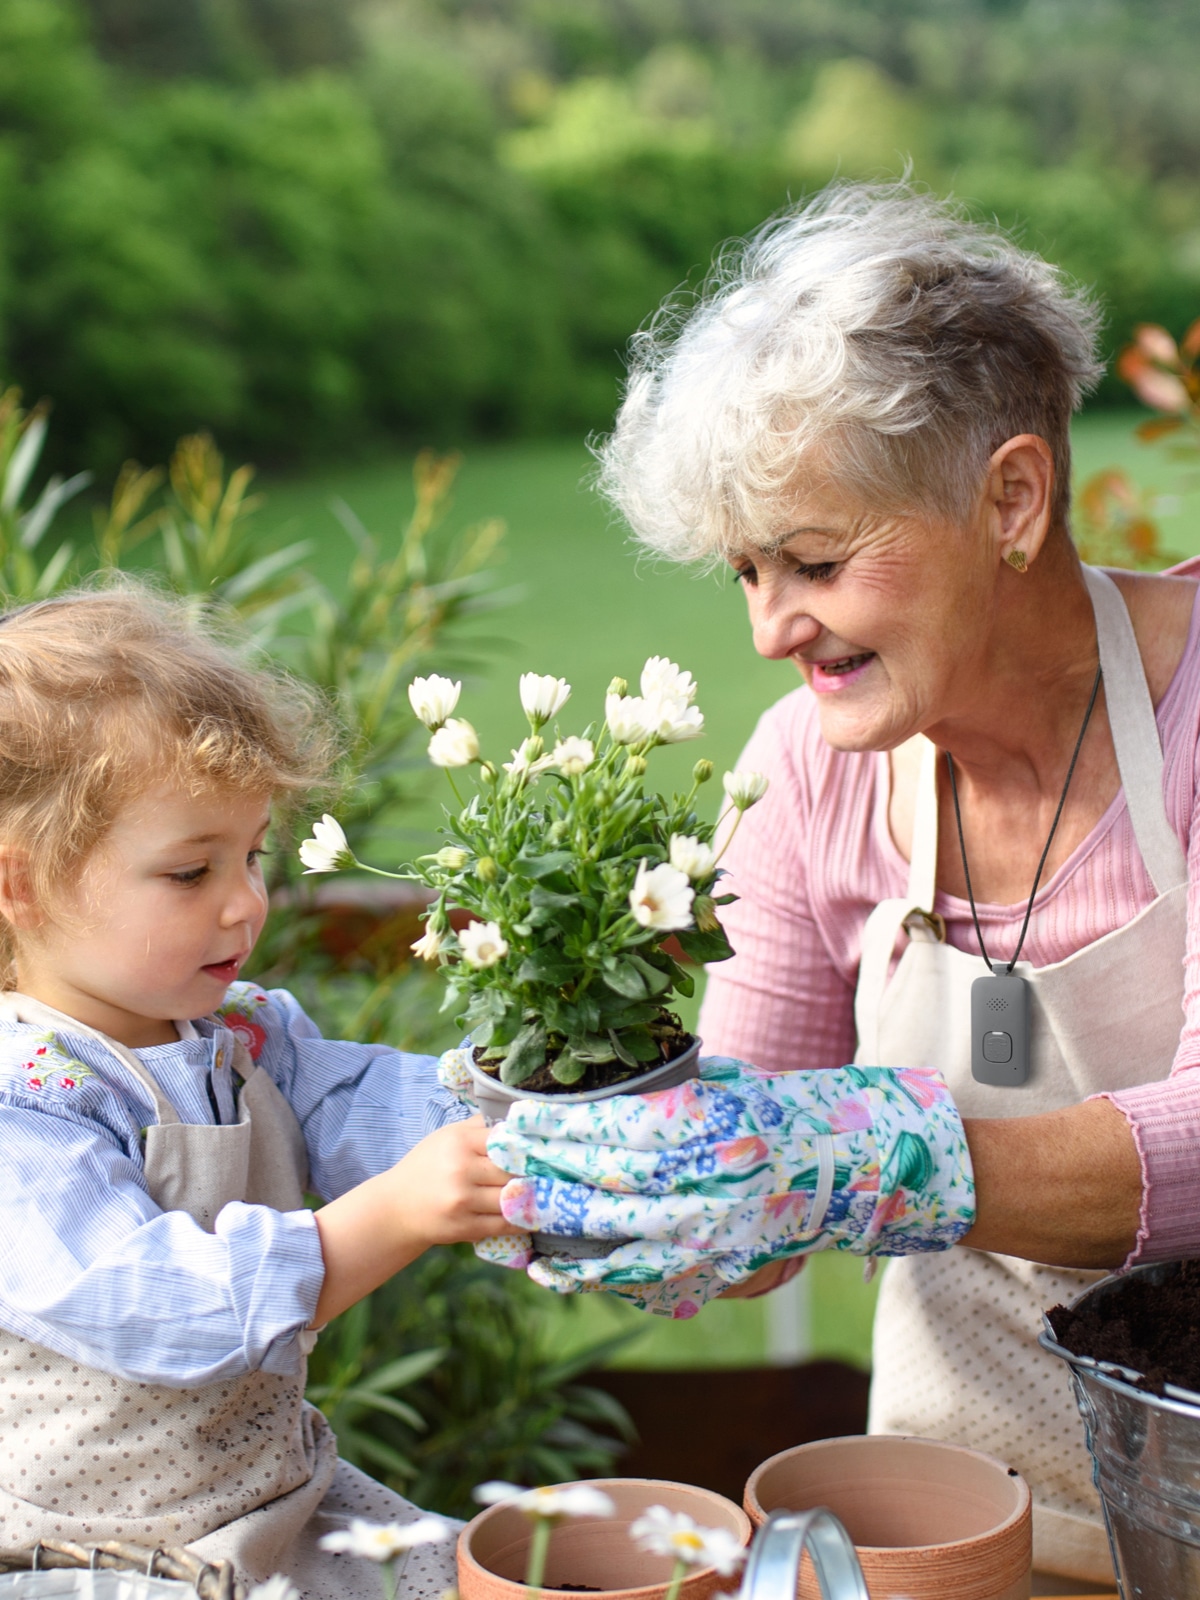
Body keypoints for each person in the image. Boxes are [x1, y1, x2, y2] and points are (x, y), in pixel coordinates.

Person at [485, 182, 1200, 1592]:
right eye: (745, 572)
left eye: (814, 562)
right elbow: (757, 1190)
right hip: (946, 1525)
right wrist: (637, 1200)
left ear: (1010, 497)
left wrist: (871, 1158)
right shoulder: (807, 772)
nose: (768, 629)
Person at [0, 587, 511, 1596]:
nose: (247, 901)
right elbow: (152, 1302)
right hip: (102, 1564)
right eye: (191, 872)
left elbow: (377, 1105)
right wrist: (387, 1220)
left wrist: (549, 1123)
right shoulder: (25, 1103)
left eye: (254, 852)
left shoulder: (243, 1036)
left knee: (493, 1577)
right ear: (21, 884)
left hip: (276, 1510)